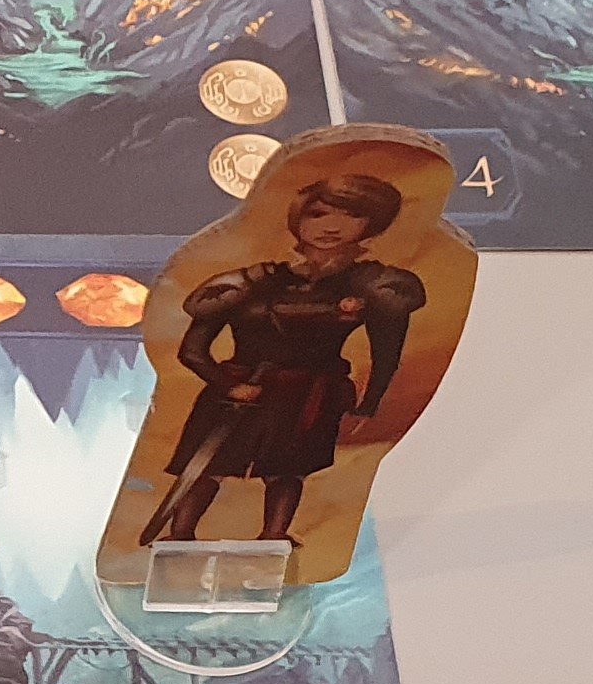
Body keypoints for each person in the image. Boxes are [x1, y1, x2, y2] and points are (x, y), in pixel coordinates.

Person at [140, 173, 426, 550]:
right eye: (319, 214)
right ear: (299, 217)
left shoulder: (375, 286)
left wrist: (368, 406)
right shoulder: (249, 283)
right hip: (236, 393)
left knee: (289, 472)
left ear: (371, 224)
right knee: (207, 468)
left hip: (306, 397)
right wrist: (230, 386)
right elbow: (192, 351)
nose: (332, 226)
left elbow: (387, 354)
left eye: (351, 216)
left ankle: (274, 537)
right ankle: (180, 536)